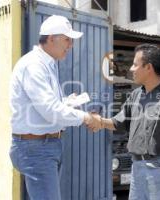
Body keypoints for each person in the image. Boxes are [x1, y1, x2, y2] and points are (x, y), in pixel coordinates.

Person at [9, 15, 100, 200]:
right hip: (36, 147)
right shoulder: (34, 65)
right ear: (51, 38)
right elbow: (50, 110)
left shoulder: (47, 64)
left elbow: (44, 105)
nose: (71, 45)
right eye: (67, 39)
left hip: (44, 145)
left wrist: (66, 102)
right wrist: (85, 117)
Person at [89, 44, 160, 200]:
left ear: (149, 68)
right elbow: (118, 122)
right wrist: (99, 121)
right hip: (137, 167)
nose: (131, 69)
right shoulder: (136, 95)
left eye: (135, 64)